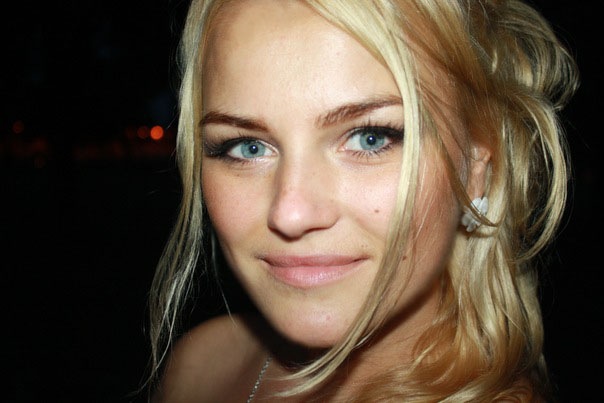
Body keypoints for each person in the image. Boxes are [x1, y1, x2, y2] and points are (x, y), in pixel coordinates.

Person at [148, 0, 578, 401]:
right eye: (247, 147)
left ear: (477, 166)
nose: (291, 214)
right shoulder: (202, 365)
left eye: (369, 138)